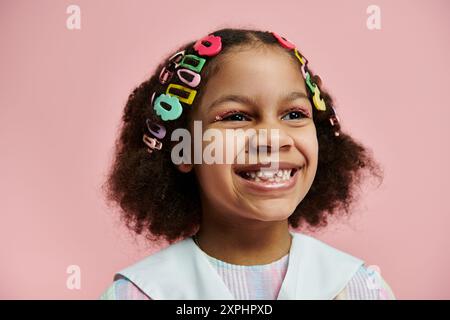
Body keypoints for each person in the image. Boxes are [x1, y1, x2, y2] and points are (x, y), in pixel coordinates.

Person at [100, 28, 395, 300]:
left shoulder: (358, 288)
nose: (273, 138)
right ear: (184, 147)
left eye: (294, 114)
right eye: (236, 117)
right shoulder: (139, 293)